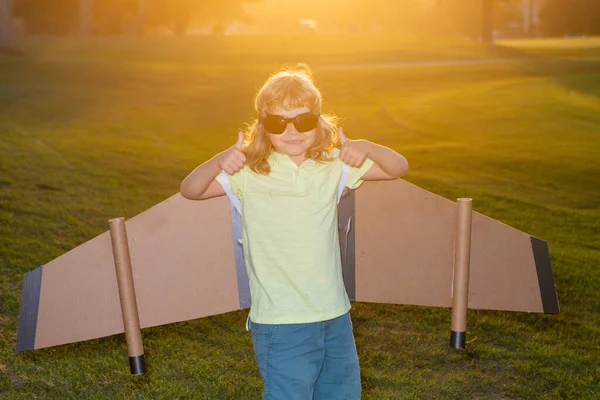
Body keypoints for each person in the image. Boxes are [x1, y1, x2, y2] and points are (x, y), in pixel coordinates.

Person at [180, 64, 408, 400]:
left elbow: (397, 167)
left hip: (334, 314)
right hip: (280, 319)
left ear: (318, 121)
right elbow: (190, 189)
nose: (292, 131)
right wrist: (219, 161)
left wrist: (367, 146)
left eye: (303, 120)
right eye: (277, 122)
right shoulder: (248, 170)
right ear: (262, 126)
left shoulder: (334, 164)